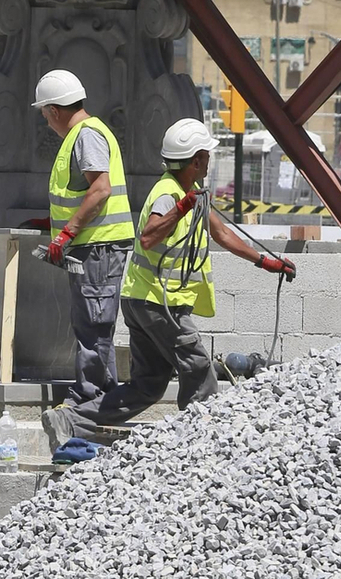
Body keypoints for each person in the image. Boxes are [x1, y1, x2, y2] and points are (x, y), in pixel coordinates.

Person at [99, 118, 294, 422]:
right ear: (196, 159)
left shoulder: (192, 192)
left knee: (149, 385)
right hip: (159, 303)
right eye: (207, 155)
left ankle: (75, 420)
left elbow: (223, 234)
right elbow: (149, 237)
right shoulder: (171, 194)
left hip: (145, 299)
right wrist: (180, 208)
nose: (209, 161)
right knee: (198, 365)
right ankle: (200, 431)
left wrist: (265, 261)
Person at [34, 68, 134, 417]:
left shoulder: (86, 135)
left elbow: (101, 189)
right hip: (93, 246)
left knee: (94, 322)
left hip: (99, 246)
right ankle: (102, 394)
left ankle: (91, 398)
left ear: (55, 111)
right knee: (92, 322)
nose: (47, 122)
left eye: (45, 114)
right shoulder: (83, 134)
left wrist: (67, 232)